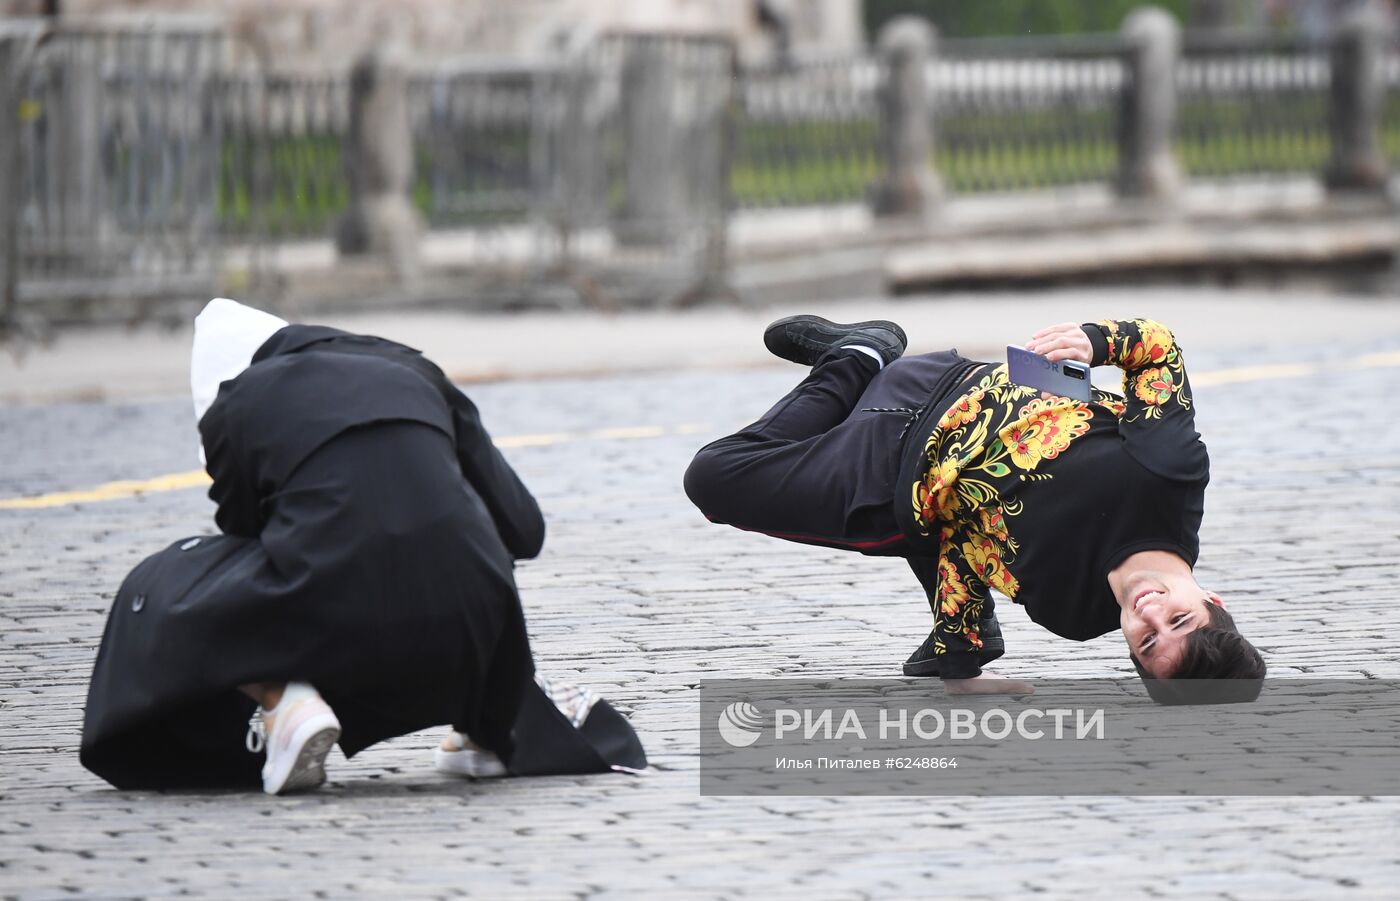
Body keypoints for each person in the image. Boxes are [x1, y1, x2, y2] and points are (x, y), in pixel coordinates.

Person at [80, 299, 646, 794]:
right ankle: (485, 728)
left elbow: (246, 538)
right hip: (475, 628)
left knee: (163, 579)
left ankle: (286, 701)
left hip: (335, 615)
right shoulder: (416, 370)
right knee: (453, 545)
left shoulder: (239, 402)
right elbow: (524, 527)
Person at [683, 314, 1265, 700]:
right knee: (745, 469)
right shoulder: (1170, 479)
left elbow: (966, 548)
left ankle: (855, 358)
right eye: (1180, 618)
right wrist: (1097, 341)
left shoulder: (1074, 612)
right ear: (1211, 599)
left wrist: (961, 665)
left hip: (891, 476)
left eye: (1145, 639)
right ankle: (865, 358)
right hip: (941, 387)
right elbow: (1159, 354)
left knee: (712, 477)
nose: (1150, 612)